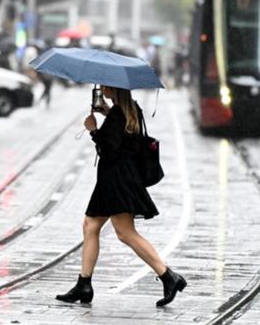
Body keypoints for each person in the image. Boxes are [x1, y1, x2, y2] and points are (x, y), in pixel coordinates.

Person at [56, 85, 186, 306]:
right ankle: (83, 284)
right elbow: (125, 137)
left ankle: (168, 276)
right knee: (90, 225)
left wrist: (93, 130)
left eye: (104, 84)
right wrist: (107, 114)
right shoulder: (129, 109)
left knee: (125, 233)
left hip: (116, 180)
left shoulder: (119, 113)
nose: (101, 87)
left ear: (113, 87)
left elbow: (109, 149)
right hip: (118, 178)